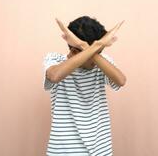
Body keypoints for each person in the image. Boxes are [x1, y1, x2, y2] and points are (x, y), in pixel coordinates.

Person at [42, 16, 126, 156]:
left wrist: (89, 48)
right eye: (92, 54)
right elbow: (54, 76)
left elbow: (121, 80)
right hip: (64, 151)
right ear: (74, 51)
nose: (96, 58)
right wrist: (94, 47)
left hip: (101, 150)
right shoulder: (55, 59)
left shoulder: (102, 64)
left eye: (98, 52)